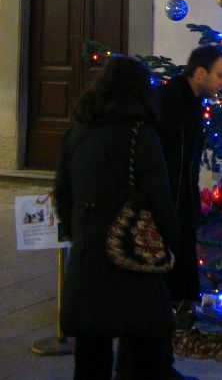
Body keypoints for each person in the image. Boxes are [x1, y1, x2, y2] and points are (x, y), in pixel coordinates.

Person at [54, 55, 179, 380]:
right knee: (142, 357)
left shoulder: (78, 132)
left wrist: (81, 231)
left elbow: (63, 194)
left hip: (88, 256)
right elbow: (160, 200)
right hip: (131, 256)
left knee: (90, 357)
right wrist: (168, 240)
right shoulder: (141, 134)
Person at [156, 44, 222, 310]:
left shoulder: (195, 103)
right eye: (219, 75)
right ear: (200, 73)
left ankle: (182, 303)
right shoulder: (169, 101)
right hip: (167, 197)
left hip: (183, 195)